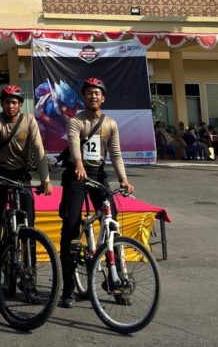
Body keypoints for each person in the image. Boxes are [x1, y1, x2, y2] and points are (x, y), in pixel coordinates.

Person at [58, 77, 133, 309]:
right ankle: (68, 288)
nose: (93, 96)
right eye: (89, 92)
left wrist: (123, 179)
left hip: (98, 175)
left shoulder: (110, 124)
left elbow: (116, 154)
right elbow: (73, 144)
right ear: (84, 96)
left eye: (98, 93)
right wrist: (78, 164)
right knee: (70, 226)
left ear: (103, 97)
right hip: (76, 175)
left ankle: (116, 282)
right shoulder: (75, 121)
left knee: (112, 223)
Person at [0, 85, 52, 301]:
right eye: (6, 102)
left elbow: (39, 150)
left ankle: (29, 280)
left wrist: (46, 179)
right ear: (2, 104)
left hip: (21, 176)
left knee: (29, 226)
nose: (10, 105)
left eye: (15, 102)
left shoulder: (29, 121)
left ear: (21, 105)